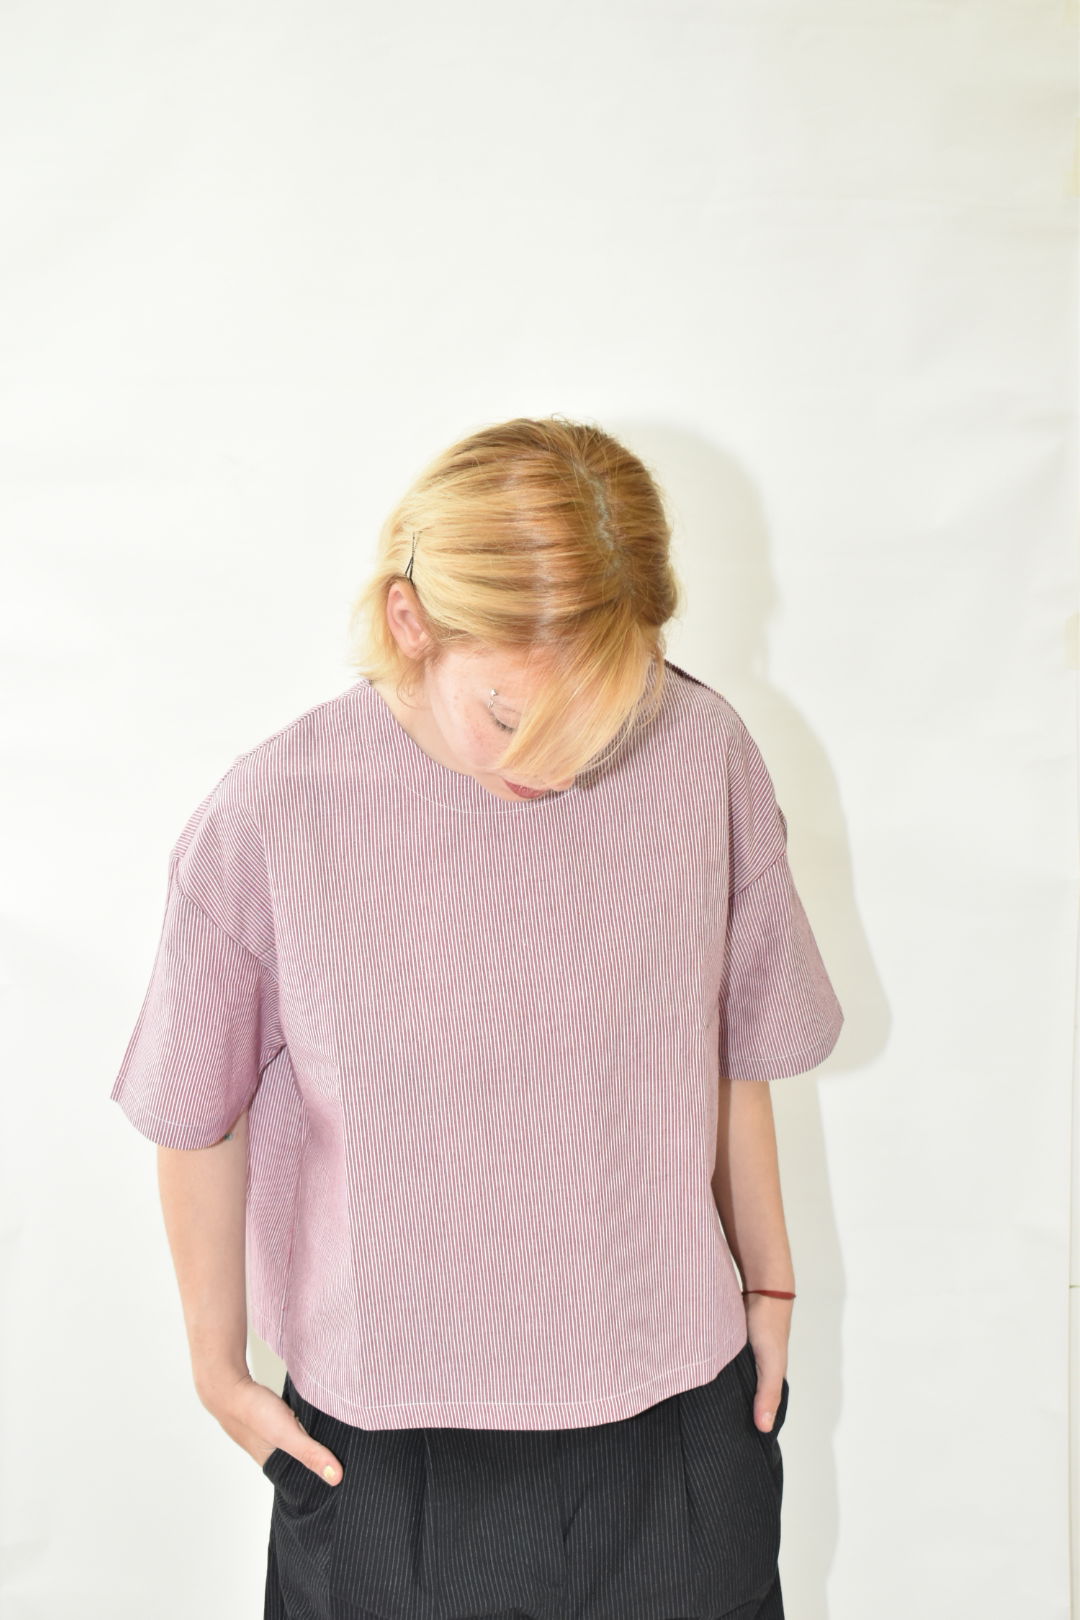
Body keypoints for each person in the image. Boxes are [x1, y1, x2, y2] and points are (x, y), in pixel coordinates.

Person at [109, 414, 844, 1620]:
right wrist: (216, 1369)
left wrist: (771, 1290)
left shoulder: (700, 751)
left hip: (674, 1419)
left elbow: (728, 1047)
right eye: (512, 717)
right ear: (411, 623)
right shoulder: (275, 812)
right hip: (388, 1453)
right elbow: (197, 1111)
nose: (560, 767)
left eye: (606, 718)